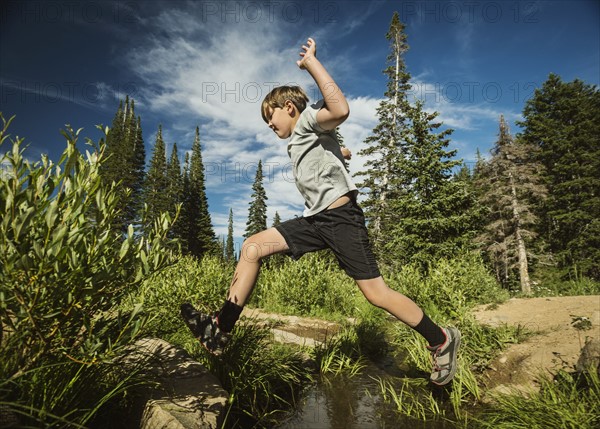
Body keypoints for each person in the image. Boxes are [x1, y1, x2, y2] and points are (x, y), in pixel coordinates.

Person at [181, 38, 460, 386]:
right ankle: (221, 329)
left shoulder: (310, 118)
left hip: (341, 219)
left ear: (289, 107)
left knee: (376, 294)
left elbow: (339, 109)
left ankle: (441, 340)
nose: (269, 125)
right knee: (252, 247)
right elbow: (323, 153)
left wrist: (311, 63)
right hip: (315, 221)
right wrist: (338, 152)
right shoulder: (302, 138)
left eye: (271, 116)